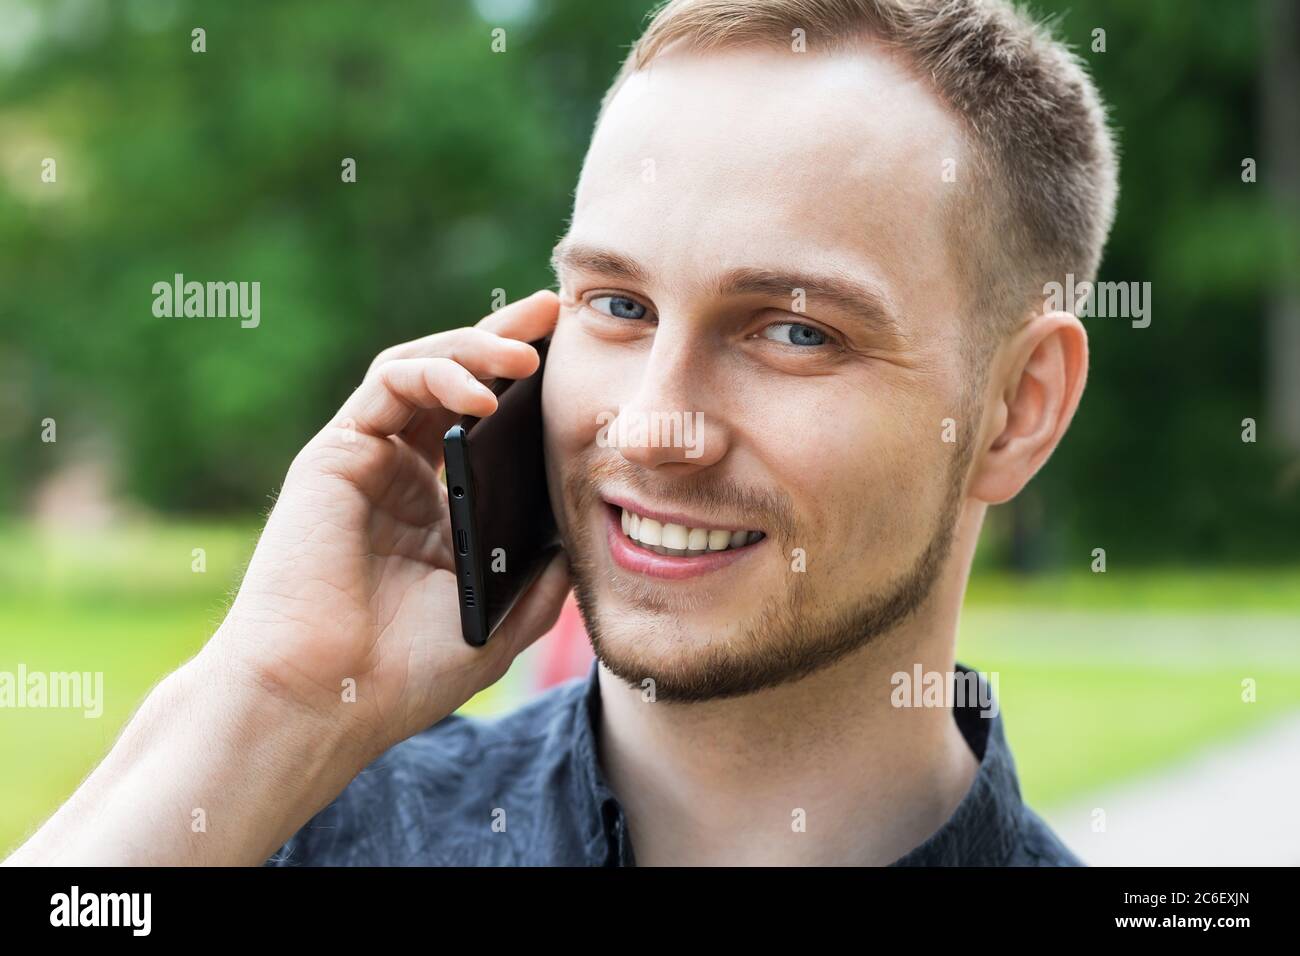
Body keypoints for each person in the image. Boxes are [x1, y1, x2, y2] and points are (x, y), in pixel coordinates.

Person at [5, 0, 1116, 866]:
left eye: (791, 329)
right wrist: (271, 702)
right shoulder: (281, 825)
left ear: (1016, 409)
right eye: (619, 306)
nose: (650, 425)